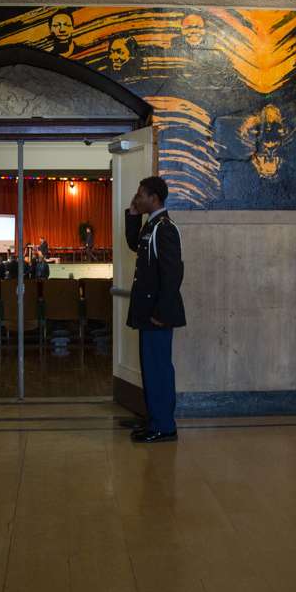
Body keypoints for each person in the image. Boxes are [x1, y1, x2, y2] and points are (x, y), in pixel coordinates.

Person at [124, 176, 185, 443]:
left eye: (141, 195)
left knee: (159, 369)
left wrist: (161, 312)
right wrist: (133, 215)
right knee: (151, 368)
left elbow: (172, 275)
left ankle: (164, 425)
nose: (138, 198)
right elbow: (135, 246)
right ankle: (155, 421)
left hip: (158, 314)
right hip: (149, 313)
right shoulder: (152, 226)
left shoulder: (166, 228)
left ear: (155, 198)